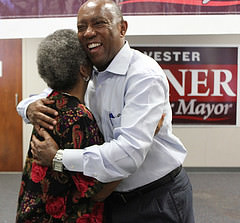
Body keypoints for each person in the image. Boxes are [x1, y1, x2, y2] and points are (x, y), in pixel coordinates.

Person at [17, 0, 195, 222]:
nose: (88, 32)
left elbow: (129, 155)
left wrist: (59, 158)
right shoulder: (87, 73)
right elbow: (39, 98)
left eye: (98, 23)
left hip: (155, 198)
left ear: (122, 28)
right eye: (81, 27)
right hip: (110, 200)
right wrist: (28, 109)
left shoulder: (143, 76)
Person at [16, 29, 120, 223]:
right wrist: (141, 146)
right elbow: (94, 189)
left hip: (33, 212)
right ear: (84, 69)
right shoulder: (79, 116)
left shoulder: (46, 106)